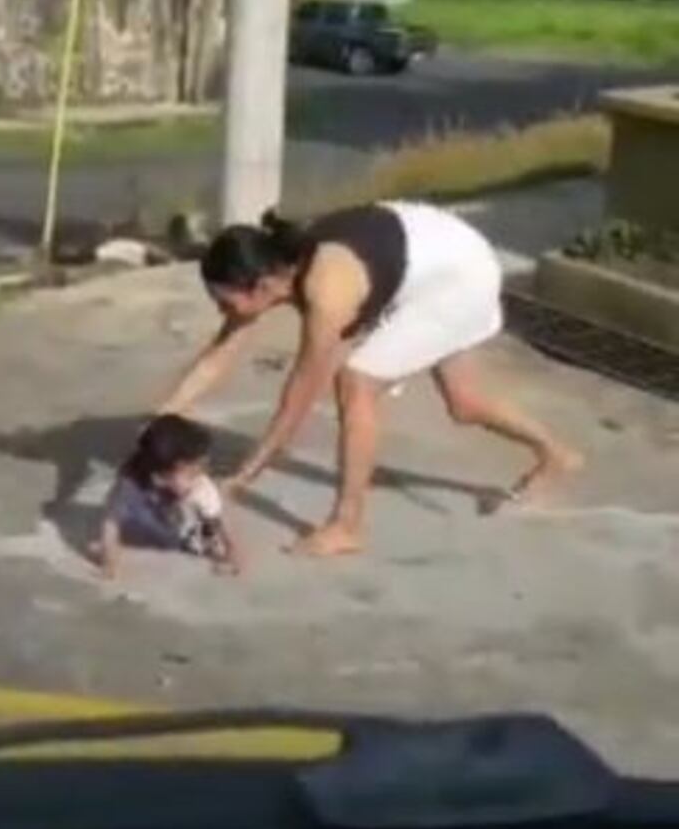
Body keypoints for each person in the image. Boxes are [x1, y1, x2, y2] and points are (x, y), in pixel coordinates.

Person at [158, 201, 582, 557]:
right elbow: (217, 356)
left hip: (458, 277)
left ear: (263, 286)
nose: (222, 312)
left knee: (355, 382)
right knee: (464, 402)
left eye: (224, 301)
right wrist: (161, 419)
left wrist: (245, 475)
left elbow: (298, 400)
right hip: (443, 256)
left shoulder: (327, 291)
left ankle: (347, 525)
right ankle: (558, 454)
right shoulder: (279, 269)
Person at [97, 415, 242, 580]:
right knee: (123, 516)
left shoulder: (199, 489)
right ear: (159, 478)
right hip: (148, 518)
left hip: (178, 528)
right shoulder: (129, 485)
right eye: (192, 473)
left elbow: (216, 521)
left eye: (200, 468)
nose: (200, 475)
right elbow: (110, 523)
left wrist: (231, 553)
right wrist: (109, 563)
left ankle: (173, 531)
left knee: (197, 532)